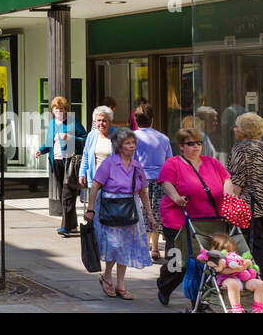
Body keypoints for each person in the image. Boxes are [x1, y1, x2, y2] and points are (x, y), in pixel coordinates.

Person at [155, 127, 235, 306]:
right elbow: (166, 184)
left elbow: (226, 180)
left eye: (199, 143)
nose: (196, 147)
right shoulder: (173, 163)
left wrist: (228, 197)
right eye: (191, 144)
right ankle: (165, 285)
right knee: (178, 263)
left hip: (210, 221)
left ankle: (198, 301)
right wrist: (176, 197)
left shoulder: (212, 163)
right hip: (179, 220)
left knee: (203, 262)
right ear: (181, 146)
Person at [84, 128, 157, 300]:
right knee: (114, 246)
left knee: (125, 247)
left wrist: (150, 215)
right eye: (127, 143)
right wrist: (91, 209)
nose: (132, 146)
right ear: (119, 146)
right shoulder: (109, 163)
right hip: (110, 208)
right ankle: (107, 277)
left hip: (130, 210)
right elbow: (95, 186)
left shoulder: (137, 166)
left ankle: (121, 284)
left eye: (133, 143)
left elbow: (143, 192)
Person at [228, 111, 263, 304]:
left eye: (237, 126)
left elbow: (237, 180)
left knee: (254, 246)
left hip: (251, 204)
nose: (234, 129)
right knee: (255, 244)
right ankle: (260, 287)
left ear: (243, 131)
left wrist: (228, 202)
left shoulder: (241, 148)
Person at [36, 96, 87, 236]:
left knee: (67, 195)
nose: (59, 111)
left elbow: (85, 138)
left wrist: (71, 138)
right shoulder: (52, 123)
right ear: (52, 110)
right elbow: (48, 143)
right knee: (64, 196)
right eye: (56, 109)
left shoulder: (72, 121)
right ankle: (72, 225)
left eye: (61, 109)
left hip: (70, 162)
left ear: (66, 110)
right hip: (56, 163)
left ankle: (65, 227)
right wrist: (41, 150)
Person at [132, 102, 173, 261]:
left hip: (141, 180)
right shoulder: (163, 138)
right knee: (156, 213)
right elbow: (169, 161)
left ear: (136, 120)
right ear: (152, 120)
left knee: (142, 214)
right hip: (160, 181)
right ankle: (155, 248)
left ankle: (144, 247)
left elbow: (130, 161)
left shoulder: (132, 138)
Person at [197, 232, 263, 313]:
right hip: (225, 279)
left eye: (233, 251)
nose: (232, 253)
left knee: (260, 284)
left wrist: (246, 263)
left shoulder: (236, 257)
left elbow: (248, 262)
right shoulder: (217, 260)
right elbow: (221, 270)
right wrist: (235, 270)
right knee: (233, 283)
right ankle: (236, 309)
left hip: (243, 279)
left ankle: (258, 309)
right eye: (228, 251)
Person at [77, 105, 115, 199]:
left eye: (104, 120)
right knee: (95, 209)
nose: (101, 123)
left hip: (114, 181)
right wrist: (82, 173)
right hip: (95, 178)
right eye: (98, 120)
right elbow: (86, 155)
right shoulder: (92, 135)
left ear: (110, 122)